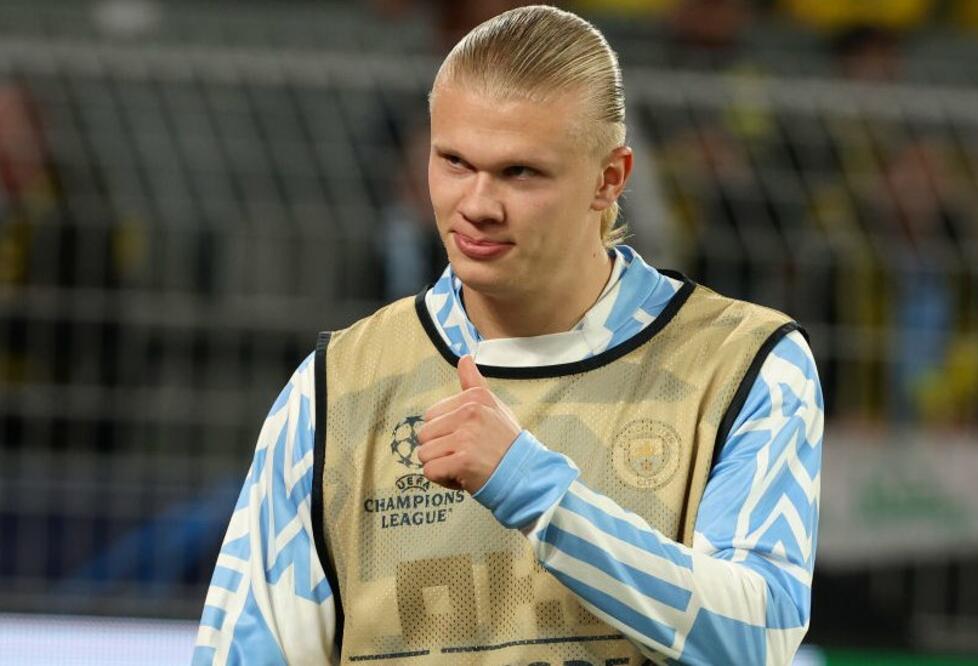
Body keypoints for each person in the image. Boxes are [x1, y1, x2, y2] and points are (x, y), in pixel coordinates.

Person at [193, 6, 822, 664]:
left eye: (520, 173)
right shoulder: (336, 387)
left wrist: (529, 485)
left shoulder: (745, 363)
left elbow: (756, 639)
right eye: (454, 162)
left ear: (610, 178)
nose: (477, 205)